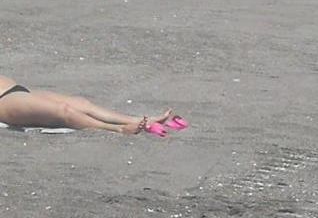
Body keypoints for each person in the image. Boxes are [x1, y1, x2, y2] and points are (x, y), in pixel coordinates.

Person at [0, 74, 184, 135]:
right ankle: (119, 129)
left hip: (16, 89)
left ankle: (139, 119)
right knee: (63, 111)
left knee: (82, 103)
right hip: (4, 102)